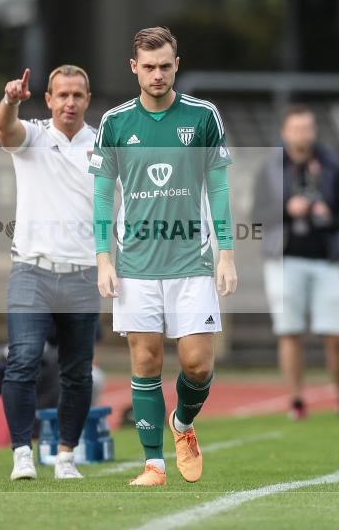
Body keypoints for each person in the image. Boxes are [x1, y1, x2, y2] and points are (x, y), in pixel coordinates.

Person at [90, 27, 237, 486]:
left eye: (165, 66)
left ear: (177, 65)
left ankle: (183, 426)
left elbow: (218, 184)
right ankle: (153, 464)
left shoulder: (203, 115)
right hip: (135, 265)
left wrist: (226, 252)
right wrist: (103, 257)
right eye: (148, 66)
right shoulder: (115, 123)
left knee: (197, 364)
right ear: (134, 68)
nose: (157, 74)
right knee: (145, 361)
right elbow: (100, 196)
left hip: (191, 263)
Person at [0, 65, 101, 481]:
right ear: (49, 100)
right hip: (32, 270)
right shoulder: (33, 134)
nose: (70, 102)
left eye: (77, 95)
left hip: (83, 272)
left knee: (78, 370)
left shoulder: (104, 145)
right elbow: (5, 131)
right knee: (22, 360)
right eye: (62, 95)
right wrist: (9, 101)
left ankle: (66, 457)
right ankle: (23, 452)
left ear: (87, 100)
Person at [253, 104, 339, 421]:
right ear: (284, 132)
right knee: (290, 331)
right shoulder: (270, 167)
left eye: (307, 128)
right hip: (284, 258)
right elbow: (255, 216)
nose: (302, 135)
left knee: (335, 333)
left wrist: (327, 218)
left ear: (314, 131)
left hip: (324, 258)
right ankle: (296, 402)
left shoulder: (330, 164)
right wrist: (286, 209)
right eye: (296, 129)